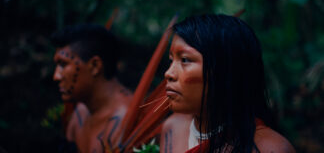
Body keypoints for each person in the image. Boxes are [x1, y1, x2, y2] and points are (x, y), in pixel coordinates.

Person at [160, 14, 296, 153]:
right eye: (171, 60)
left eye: (185, 60)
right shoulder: (171, 128)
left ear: (225, 70)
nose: (169, 73)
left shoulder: (272, 149)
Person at [51, 24, 132, 153]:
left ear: (94, 66)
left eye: (63, 64)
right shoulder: (80, 113)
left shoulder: (126, 121)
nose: (56, 76)